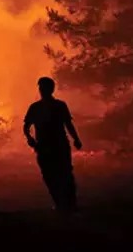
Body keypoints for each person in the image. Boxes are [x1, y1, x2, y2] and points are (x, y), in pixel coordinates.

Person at [23, 76, 82, 214]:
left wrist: (76, 139)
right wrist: (30, 138)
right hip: (43, 147)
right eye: (41, 87)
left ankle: (70, 204)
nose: (42, 90)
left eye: (44, 87)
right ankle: (60, 204)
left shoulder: (59, 106)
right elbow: (26, 126)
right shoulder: (35, 107)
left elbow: (68, 124)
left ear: (51, 89)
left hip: (59, 145)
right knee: (49, 175)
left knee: (65, 174)